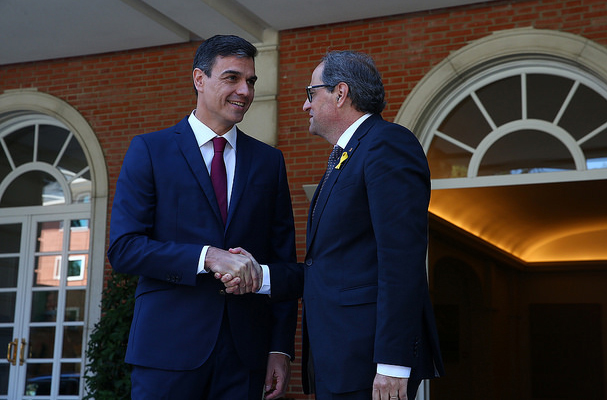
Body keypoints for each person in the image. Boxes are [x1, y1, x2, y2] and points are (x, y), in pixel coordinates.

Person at [223, 50, 445, 400]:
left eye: (312, 93)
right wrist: (260, 277)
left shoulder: (387, 145)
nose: (305, 106)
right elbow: (328, 266)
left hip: (370, 364)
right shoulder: (349, 154)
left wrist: (391, 363)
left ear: (340, 94)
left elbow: (401, 261)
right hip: (341, 361)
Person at [107, 34, 298, 399]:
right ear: (199, 79)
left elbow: (281, 259)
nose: (245, 90)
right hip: (167, 350)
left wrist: (279, 347)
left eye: (251, 81)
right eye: (232, 78)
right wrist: (208, 256)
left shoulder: (269, 162)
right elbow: (125, 248)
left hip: (245, 356)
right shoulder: (150, 150)